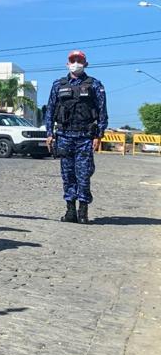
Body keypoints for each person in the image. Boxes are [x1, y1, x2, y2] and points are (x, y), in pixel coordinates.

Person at [45, 50, 108, 224]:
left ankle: (83, 212)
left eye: (79, 60)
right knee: (67, 175)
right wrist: (49, 133)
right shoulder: (58, 84)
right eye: (73, 60)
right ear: (67, 63)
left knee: (84, 174)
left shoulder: (95, 85)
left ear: (85, 63)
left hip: (85, 137)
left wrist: (99, 135)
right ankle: (70, 211)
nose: (76, 63)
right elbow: (50, 109)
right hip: (64, 135)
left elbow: (102, 111)